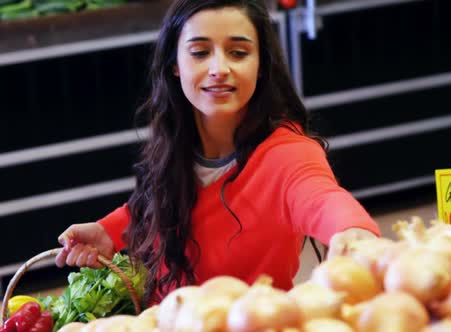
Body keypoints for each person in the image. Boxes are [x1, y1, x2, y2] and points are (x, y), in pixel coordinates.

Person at [55, 0, 380, 304]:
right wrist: (109, 231)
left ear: (261, 65)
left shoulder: (289, 153)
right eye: (199, 52)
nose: (219, 68)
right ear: (175, 65)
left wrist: (353, 233)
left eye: (238, 53)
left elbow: (321, 198)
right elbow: (163, 205)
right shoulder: (174, 142)